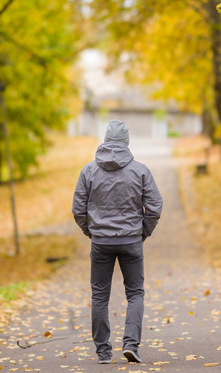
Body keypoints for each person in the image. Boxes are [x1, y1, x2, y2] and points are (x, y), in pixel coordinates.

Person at [72, 119, 163, 364]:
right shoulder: (140, 170)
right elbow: (155, 206)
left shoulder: (88, 171)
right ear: (126, 142)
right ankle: (131, 344)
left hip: (101, 242)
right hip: (131, 240)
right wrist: (142, 232)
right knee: (135, 294)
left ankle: (103, 352)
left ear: (105, 139)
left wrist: (92, 231)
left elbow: (78, 208)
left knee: (99, 296)